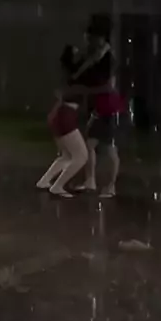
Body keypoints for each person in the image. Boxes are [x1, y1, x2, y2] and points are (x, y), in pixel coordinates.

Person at [73, 23, 124, 198]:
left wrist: (87, 91)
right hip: (99, 106)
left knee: (109, 148)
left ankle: (110, 186)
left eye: (91, 38)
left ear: (101, 38)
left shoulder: (108, 59)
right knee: (90, 145)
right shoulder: (95, 56)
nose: (88, 41)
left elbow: (108, 86)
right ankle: (91, 181)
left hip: (108, 107)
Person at [36, 45, 89, 198]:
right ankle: (58, 186)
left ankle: (44, 181)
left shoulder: (67, 74)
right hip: (66, 116)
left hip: (60, 114)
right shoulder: (76, 76)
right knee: (81, 156)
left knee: (66, 155)